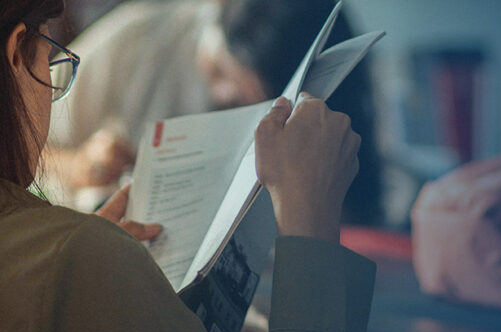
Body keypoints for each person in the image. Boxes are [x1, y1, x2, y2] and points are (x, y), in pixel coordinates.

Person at [0, 1, 376, 332]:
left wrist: (95, 264)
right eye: (51, 63)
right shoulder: (78, 262)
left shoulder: (66, 260)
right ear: (16, 52)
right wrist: (311, 228)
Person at [44, 0, 382, 224]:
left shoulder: (325, 112)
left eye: (253, 107)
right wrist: (76, 166)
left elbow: (358, 210)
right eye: (219, 70)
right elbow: (21, 141)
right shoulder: (137, 42)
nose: (222, 95)